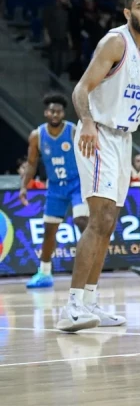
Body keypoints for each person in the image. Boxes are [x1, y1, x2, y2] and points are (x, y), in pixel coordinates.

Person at [56, 0, 140, 333]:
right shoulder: (115, 43)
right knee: (99, 219)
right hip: (97, 132)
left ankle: (91, 301)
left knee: (109, 222)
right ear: (127, 12)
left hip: (123, 139)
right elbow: (81, 89)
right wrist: (85, 121)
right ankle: (70, 306)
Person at [19, 94, 88, 289]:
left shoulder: (73, 131)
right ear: (45, 112)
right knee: (49, 231)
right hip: (55, 187)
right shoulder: (37, 135)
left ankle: (90, 264)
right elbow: (31, 163)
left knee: (81, 221)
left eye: (58, 111)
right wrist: (24, 186)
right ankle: (45, 273)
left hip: (76, 183)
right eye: (51, 111)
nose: (55, 114)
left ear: (63, 113)